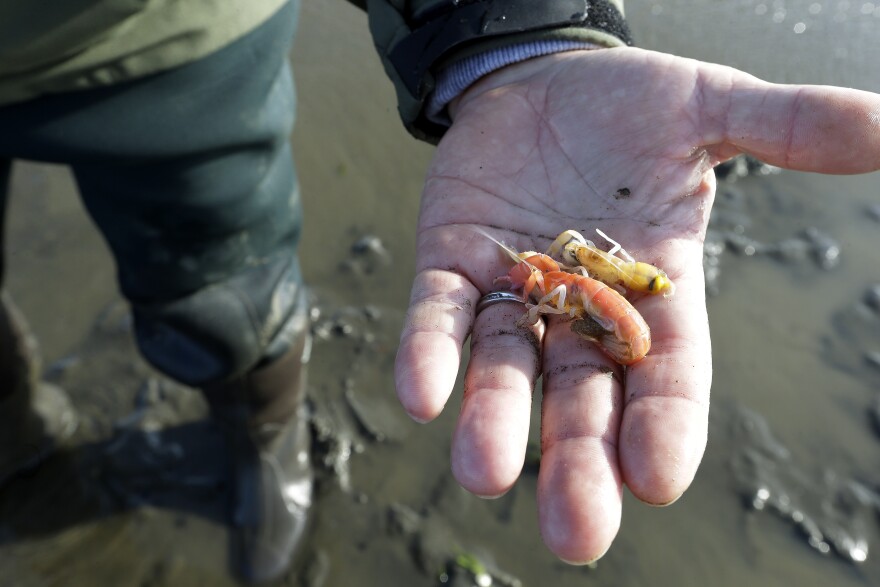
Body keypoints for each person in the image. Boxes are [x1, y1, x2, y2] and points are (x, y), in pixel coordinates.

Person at [1, 0, 879, 582]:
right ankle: (21, 450)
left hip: (156, 43)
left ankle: (263, 459)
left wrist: (503, 27)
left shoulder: (583, 297)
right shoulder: (569, 285)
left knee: (217, 282)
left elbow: (568, 298)